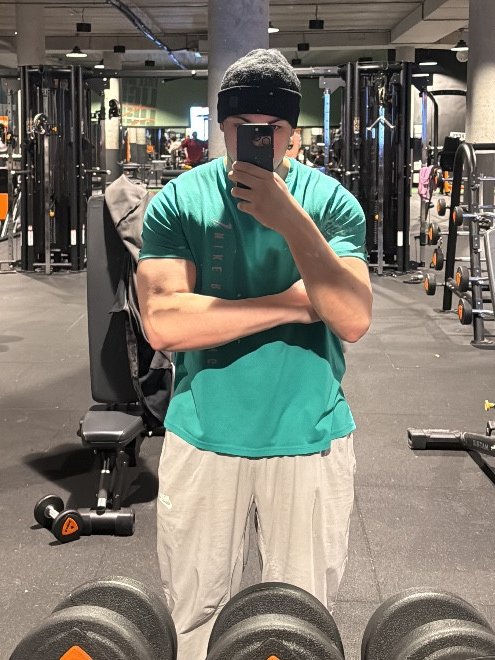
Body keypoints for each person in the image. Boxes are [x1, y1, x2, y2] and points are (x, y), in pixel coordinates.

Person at [137, 48, 372, 659]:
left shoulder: (331, 203)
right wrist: (292, 304)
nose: (258, 140)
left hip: (307, 431)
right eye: (243, 128)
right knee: (194, 618)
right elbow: (162, 324)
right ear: (223, 127)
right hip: (204, 430)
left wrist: (289, 219)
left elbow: (351, 318)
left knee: (299, 624)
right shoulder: (179, 200)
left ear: (293, 132)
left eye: (273, 129)